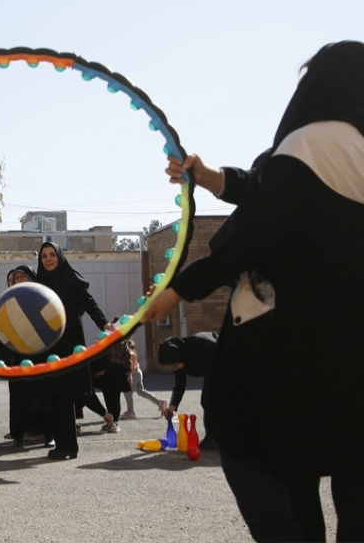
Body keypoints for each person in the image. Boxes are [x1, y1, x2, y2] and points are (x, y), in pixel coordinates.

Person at [143, 41, 364, 542]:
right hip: (351, 363)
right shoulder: (344, 150)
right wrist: (207, 175)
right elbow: (267, 186)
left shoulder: (313, 143)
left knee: (261, 462)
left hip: (288, 358)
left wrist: (174, 293)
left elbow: (250, 234)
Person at [36, 242, 111, 459]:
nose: (48, 259)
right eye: (44, 256)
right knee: (55, 396)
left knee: (65, 396)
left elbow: (89, 303)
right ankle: (64, 445)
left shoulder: (70, 279)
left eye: (52, 255)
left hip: (69, 344)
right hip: (48, 346)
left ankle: (69, 446)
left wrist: (104, 324)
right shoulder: (39, 283)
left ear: (59, 257)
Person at [4, 265, 55, 448]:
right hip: (18, 357)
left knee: (43, 395)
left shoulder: (42, 298)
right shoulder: (8, 301)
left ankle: (49, 434)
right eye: (16, 277)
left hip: (41, 354)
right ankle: (18, 435)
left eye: (23, 276)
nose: (20, 279)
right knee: (19, 397)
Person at [157, 332, 218, 423]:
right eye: (173, 368)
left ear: (179, 356)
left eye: (176, 365)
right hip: (212, 373)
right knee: (207, 401)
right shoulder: (181, 360)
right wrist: (172, 406)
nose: (176, 369)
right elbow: (179, 385)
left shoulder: (201, 343)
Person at [121, 339, 167, 419]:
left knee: (127, 392)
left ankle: (130, 411)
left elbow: (130, 359)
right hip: (138, 372)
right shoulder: (132, 350)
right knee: (141, 391)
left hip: (133, 373)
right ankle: (159, 402)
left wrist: (129, 375)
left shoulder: (129, 352)